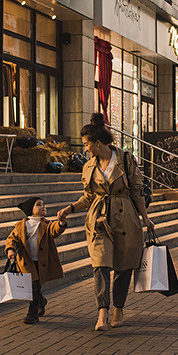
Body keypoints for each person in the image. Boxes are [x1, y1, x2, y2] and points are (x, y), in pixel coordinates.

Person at [57, 113, 154, 331]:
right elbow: (89, 196)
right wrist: (70, 208)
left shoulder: (125, 159)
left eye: (86, 145)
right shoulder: (88, 166)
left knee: (123, 264)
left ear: (98, 143)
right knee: (100, 263)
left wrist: (145, 218)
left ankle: (118, 308)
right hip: (98, 218)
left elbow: (137, 191)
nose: (85, 149)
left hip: (125, 215)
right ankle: (103, 311)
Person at [5, 197, 67, 324]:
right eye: (39, 205)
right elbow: (12, 238)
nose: (43, 206)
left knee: (35, 287)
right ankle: (41, 301)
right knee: (33, 287)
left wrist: (61, 223)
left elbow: (55, 230)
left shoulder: (47, 224)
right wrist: (11, 249)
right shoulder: (21, 225)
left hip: (41, 261)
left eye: (44, 204)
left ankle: (32, 314)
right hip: (27, 262)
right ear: (30, 210)